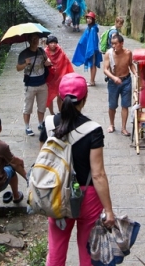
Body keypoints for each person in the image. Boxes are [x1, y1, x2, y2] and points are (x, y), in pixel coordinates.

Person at [40, 73, 116, 266]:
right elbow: (98, 174)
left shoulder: (48, 125)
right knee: (88, 253)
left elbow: (44, 162)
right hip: (87, 197)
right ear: (85, 99)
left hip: (57, 195)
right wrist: (109, 210)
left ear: (59, 96)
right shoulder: (94, 130)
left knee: (56, 252)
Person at [16, 34, 52, 136]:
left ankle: (40, 124)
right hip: (30, 84)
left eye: (36, 38)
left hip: (42, 83)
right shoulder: (24, 54)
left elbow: (47, 60)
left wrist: (48, 62)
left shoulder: (41, 51)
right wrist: (25, 64)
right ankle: (27, 127)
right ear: (29, 41)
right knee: (28, 107)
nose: (35, 41)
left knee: (42, 106)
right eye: (33, 39)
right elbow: (18, 68)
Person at [102, 33, 136, 136]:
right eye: (112, 44)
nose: (113, 46)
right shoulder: (109, 54)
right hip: (113, 82)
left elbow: (130, 64)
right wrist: (114, 78)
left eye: (115, 44)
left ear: (121, 43)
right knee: (112, 105)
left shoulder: (128, 53)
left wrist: (135, 73)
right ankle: (111, 124)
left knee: (125, 105)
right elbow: (105, 69)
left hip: (126, 81)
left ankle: (123, 128)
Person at [44, 35, 74, 115]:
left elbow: (66, 62)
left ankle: (61, 112)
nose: (53, 44)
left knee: (60, 96)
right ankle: (51, 113)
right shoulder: (44, 52)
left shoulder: (60, 51)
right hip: (49, 78)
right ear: (48, 44)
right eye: (51, 43)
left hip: (60, 76)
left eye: (54, 42)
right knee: (49, 96)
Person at [72, 12, 102, 87]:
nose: (88, 20)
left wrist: (90, 51)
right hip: (91, 50)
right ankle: (92, 80)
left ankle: (92, 81)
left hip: (92, 50)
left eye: (90, 18)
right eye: (88, 18)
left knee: (93, 65)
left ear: (93, 20)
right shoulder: (90, 27)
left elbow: (92, 41)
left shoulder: (92, 29)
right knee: (92, 65)